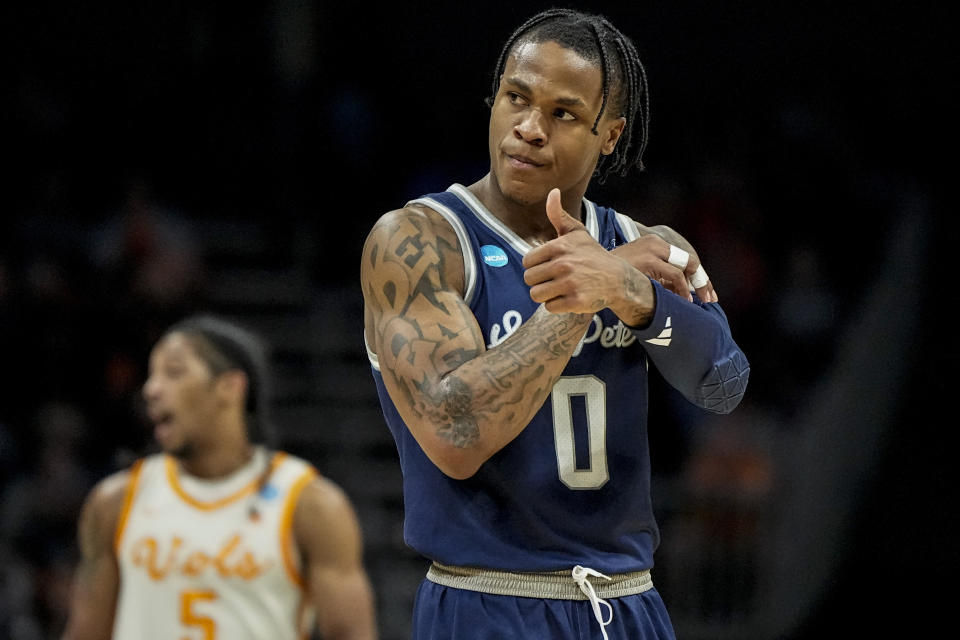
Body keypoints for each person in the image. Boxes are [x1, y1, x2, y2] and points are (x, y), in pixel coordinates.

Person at [361, 7, 749, 640]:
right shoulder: (420, 241)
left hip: (627, 603)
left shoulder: (637, 246)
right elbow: (455, 432)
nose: (529, 128)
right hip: (485, 601)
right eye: (516, 98)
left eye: (563, 113)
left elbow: (724, 385)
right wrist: (585, 295)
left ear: (611, 135)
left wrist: (637, 296)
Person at [61, 314, 378, 640]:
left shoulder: (309, 503)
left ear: (229, 387)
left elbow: (352, 634)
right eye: (151, 375)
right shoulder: (115, 501)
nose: (151, 389)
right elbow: (85, 632)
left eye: (174, 372)